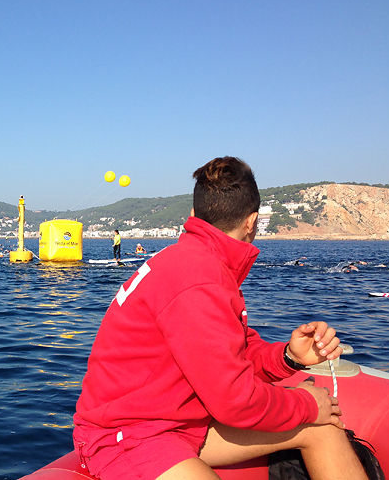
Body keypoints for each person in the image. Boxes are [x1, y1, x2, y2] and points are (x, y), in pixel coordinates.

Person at [73, 157, 369, 480]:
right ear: (251, 222)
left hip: (175, 425)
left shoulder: (201, 266)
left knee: (320, 430)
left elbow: (233, 357)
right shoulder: (198, 278)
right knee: (314, 417)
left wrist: (288, 356)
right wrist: (307, 404)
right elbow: (234, 401)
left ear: (193, 215)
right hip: (128, 437)